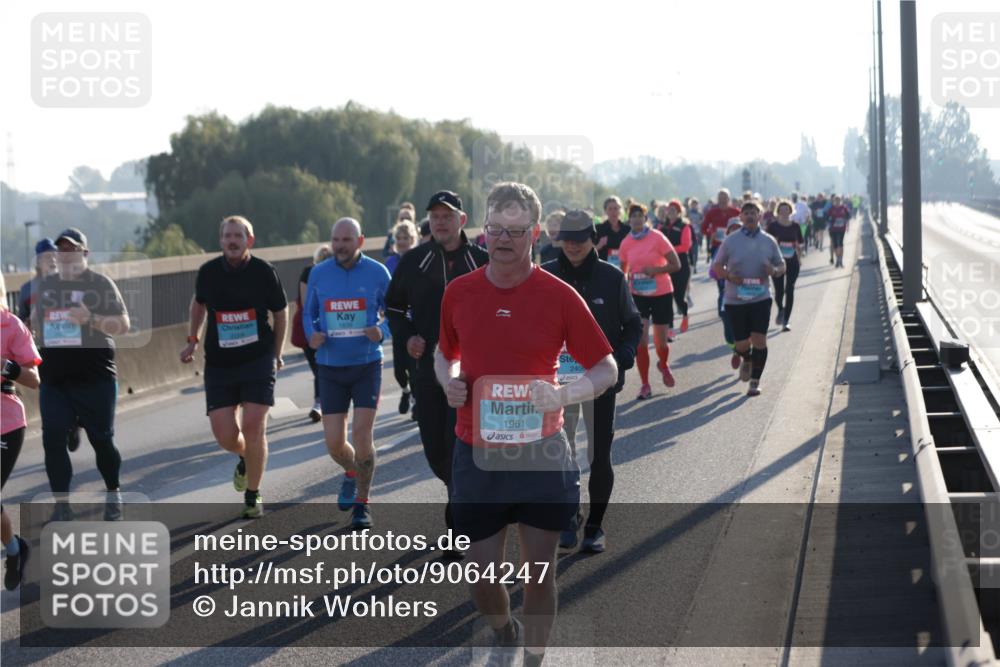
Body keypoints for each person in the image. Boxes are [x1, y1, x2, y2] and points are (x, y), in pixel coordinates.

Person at [435, 182, 617, 665]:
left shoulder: (559, 296)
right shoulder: (459, 293)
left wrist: (563, 394)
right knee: (481, 580)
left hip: (541, 453)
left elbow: (606, 368)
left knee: (540, 575)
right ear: (483, 231)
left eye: (516, 230)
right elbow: (444, 354)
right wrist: (449, 380)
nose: (504, 239)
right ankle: (503, 627)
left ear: (535, 234)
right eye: (496, 228)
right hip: (477, 453)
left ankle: (535, 658)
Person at [385, 190, 489, 548]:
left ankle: (458, 523)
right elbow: (395, 309)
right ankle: (459, 497)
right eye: (435, 216)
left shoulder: (483, 260)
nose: (441, 222)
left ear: (462, 220)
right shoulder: (414, 261)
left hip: (472, 371)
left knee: (459, 442)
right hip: (428, 370)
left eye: (448, 215)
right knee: (435, 451)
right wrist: (408, 337)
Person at [541, 209, 640, 553]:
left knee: (599, 455)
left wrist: (625, 354)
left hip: (600, 382)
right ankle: (569, 515)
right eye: (567, 239)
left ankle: (595, 526)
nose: (572, 245)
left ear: (593, 238)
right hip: (559, 385)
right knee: (559, 452)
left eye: (580, 239)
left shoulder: (611, 279)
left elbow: (633, 324)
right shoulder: (546, 277)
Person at [180, 216, 288, 519]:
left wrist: (277, 353)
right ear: (220, 240)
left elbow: (281, 312)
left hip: (257, 359)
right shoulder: (209, 272)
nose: (232, 240)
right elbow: (198, 304)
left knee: (254, 427)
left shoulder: (264, 272)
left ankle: (252, 495)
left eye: (238, 236)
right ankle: (245, 456)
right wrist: (193, 339)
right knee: (225, 435)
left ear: (249, 240)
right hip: (220, 363)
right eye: (227, 235)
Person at [32, 228, 130, 520]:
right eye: (61, 250)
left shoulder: (100, 284)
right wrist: (31, 326)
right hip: (55, 379)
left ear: (85, 253)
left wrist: (92, 319)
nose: (66, 256)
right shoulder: (47, 285)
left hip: (95, 377)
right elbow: (38, 322)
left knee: (102, 440)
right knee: (52, 439)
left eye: (72, 250)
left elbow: (123, 325)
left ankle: (114, 492)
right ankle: (62, 505)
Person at [304, 217, 391, 529]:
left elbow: (395, 311)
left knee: (361, 434)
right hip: (330, 366)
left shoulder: (378, 273)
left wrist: (382, 331)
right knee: (333, 442)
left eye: (346, 240)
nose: (340, 246)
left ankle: (363, 503)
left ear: (360, 241)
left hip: (367, 364)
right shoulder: (319, 273)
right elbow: (308, 313)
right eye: (336, 240)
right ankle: (351, 471)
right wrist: (311, 334)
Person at [711, 202, 786, 397]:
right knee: (742, 343)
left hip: (761, 297)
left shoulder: (769, 240)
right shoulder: (730, 241)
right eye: (746, 213)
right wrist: (728, 276)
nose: (750, 216)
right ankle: (746, 358)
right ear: (741, 217)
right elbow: (717, 266)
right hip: (736, 299)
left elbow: (781, 265)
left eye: (754, 212)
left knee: (760, 339)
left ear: (760, 215)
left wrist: (775, 270)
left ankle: (755, 381)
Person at [17, 238, 82, 453]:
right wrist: (27, 324)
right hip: (41, 349)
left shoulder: (67, 282)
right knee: (49, 392)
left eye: (54, 255)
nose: (52, 259)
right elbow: (21, 319)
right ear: (37, 261)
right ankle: (59, 427)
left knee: (71, 387)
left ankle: (73, 424)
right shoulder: (27, 289)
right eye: (46, 256)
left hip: (67, 347)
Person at [2, 274, 42, 589]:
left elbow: (33, 378)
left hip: (6, 424)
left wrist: (8, 368)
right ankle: (15, 549)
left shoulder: (11, 325)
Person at [618, 203, 681, 400]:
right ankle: (645, 384)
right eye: (633, 216)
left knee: (661, 343)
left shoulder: (657, 238)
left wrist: (655, 271)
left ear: (646, 219)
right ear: (629, 220)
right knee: (641, 341)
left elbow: (676, 264)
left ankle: (663, 364)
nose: (636, 219)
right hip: (638, 295)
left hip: (661, 293)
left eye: (640, 215)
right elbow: (622, 272)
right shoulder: (626, 242)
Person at [291, 245, 332, 422]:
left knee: (321, 367)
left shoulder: (335, 274)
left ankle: (320, 403)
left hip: (329, 326)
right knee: (319, 367)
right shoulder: (309, 273)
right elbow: (307, 304)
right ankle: (320, 403)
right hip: (309, 326)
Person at [383, 219, 418, 416]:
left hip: (416, 321)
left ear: (413, 239)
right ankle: (405, 391)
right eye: (399, 238)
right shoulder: (390, 262)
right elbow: (385, 291)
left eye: (406, 238)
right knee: (398, 370)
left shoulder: (419, 259)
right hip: (398, 321)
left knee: (414, 366)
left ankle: (416, 402)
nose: (402, 241)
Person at [766, 200, 804, 331]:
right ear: (778, 211)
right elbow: (767, 244)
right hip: (777, 262)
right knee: (779, 291)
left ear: (790, 211)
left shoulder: (795, 226)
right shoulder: (773, 226)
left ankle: (786, 321)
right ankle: (781, 309)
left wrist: (799, 258)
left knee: (790, 289)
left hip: (793, 261)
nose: (784, 212)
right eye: (781, 210)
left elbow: (799, 244)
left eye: (786, 209)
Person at [659, 200, 693, 334]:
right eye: (669, 210)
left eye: (674, 210)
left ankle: (685, 315)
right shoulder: (662, 227)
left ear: (679, 212)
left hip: (681, 265)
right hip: (665, 265)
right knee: (667, 297)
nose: (671, 212)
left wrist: (668, 251)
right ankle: (670, 328)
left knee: (679, 296)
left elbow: (685, 246)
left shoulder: (684, 226)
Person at [701, 188, 740, 264]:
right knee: (716, 270)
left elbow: (744, 227)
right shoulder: (712, 212)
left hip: (733, 245)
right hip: (717, 245)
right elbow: (703, 228)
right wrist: (711, 233)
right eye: (720, 198)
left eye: (724, 198)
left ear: (729, 199)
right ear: (717, 199)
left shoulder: (736, 212)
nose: (722, 200)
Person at [595, 196, 629, 270]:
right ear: (605, 211)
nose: (613, 212)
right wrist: (599, 245)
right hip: (603, 269)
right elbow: (589, 253)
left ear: (620, 210)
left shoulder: (627, 229)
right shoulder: (598, 229)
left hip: (623, 270)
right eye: (610, 209)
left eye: (616, 208)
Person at [827, 194, 851, 268]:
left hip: (841, 228)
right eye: (836, 200)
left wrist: (847, 225)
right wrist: (830, 220)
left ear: (841, 201)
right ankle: (837, 259)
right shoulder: (831, 209)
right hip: (833, 229)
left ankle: (840, 260)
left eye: (839, 200)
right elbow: (827, 217)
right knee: (835, 245)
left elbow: (848, 216)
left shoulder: (844, 208)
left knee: (840, 243)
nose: (837, 202)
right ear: (834, 201)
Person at [686, 198, 704, 273]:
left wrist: (700, 223)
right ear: (690, 205)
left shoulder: (699, 213)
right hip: (689, 233)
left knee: (695, 251)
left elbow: (702, 222)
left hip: (697, 234)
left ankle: (695, 265)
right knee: (690, 251)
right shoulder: (687, 213)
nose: (694, 205)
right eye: (693, 204)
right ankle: (691, 265)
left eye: (695, 204)